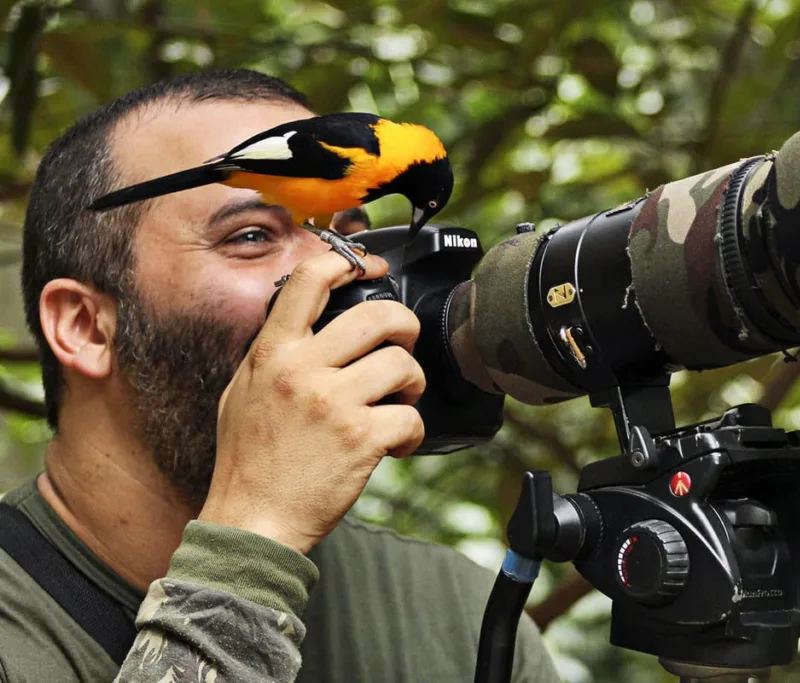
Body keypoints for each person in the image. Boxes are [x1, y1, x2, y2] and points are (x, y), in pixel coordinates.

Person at [1, 69, 560, 682]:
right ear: (84, 325)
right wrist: (252, 544)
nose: (331, 273)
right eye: (250, 236)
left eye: (346, 238)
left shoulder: (462, 614)